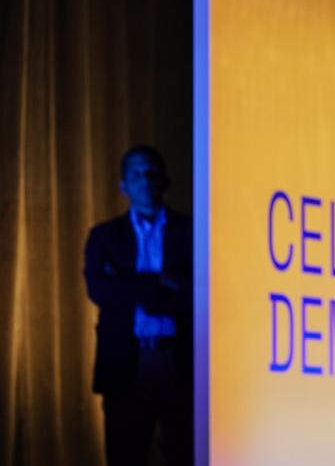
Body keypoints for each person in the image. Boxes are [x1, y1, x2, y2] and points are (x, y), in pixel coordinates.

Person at [83, 145, 193, 466]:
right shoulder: (104, 236)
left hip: (180, 362)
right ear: (123, 186)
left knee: (185, 453)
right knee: (125, 455)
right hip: (126, 364)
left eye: (150, 173)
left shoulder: (193, 232)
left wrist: (129, 284)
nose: (144, 181)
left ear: (164, 181)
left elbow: (200, 294)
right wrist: (160, 281)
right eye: (135, 174)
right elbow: (99, 291)